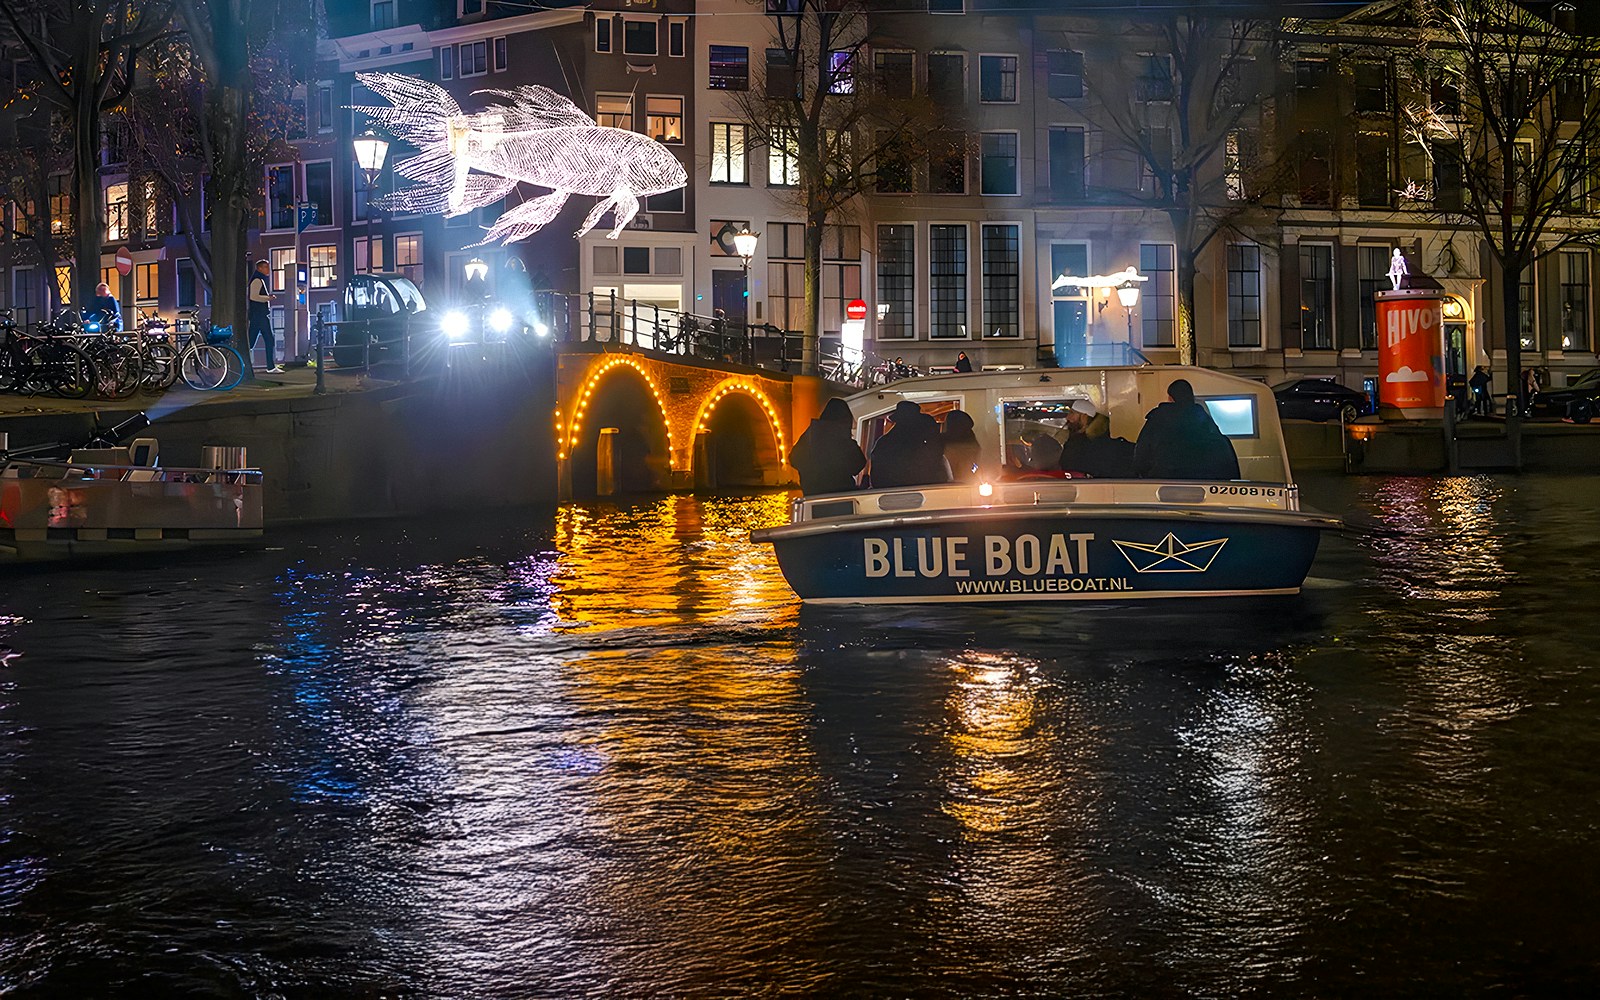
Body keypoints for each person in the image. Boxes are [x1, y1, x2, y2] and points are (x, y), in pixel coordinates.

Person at [1134, 378, 1240, 480]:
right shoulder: (1202, 419)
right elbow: (1224, 453)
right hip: (1205, 482)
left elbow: (1141, 455)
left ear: (1171, 398)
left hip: (1164, 483)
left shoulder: (1157, 419)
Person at [789, 397, 866, 495]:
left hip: (812, 495)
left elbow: (794, 459)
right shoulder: (841, 437)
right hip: (841, 496)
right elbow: (859, 463)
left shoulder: (810, 436)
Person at [868, 400, 950, 488]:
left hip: (890, 496)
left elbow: (877, 479)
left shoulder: (883, 443)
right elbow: (938, 474)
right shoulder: (923, 445)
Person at [1059, 398, 1137, 478]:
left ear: (1084, 416)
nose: (1068, 417)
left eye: (1072, 413)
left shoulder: (1092, 444)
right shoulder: (1082, 440)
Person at [247, 259, 279, 372]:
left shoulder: (258, 279)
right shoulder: (257, 280)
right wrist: (268, 298)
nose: (268, 269)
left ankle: (240, 361)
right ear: (259, 268)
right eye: (265, 267)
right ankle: (270, 367)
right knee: (269, 339)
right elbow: (253, 296)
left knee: (251, 341)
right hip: (260, 314)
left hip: (257, 314)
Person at [941, 408, 982, 481]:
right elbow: (976, 464)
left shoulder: (943, 442)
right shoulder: (971, 439)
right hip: (971, 481)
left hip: (952, 483)